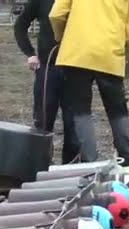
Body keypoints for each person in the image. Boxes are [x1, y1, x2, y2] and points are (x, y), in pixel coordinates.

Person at [48, 0, 129, 166]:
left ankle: (89, 161)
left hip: (76, 54)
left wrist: (62, 38)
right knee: (117, 109)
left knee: (81, 110)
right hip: (110, 54)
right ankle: (128, 157)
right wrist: (125, 56)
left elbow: (56, 15)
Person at [13, 0, 77, 164]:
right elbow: (20, 25)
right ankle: (40, 164)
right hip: (48, 68)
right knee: (43, 121)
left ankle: (70, 167)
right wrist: (30, 53)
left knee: (74, 124)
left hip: (76, 70)